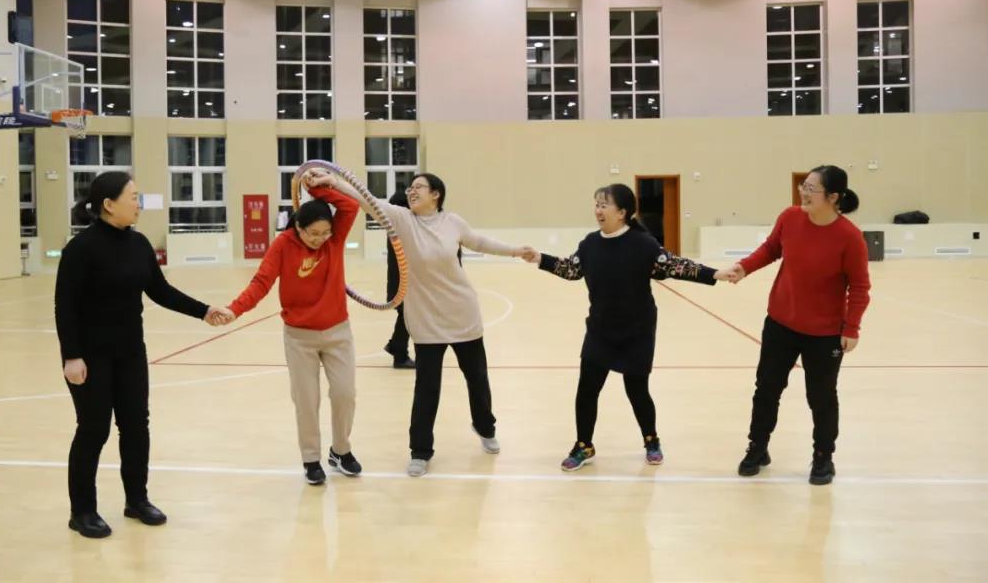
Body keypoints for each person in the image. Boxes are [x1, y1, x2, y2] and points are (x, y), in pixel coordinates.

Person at [56, 171, 230, 539]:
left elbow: (160, 290)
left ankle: (137, 500)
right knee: (94, 430)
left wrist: (203, 311)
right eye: (133, 197)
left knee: (136, 427)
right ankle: (82, 510)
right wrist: (72, 356)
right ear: (109, 204)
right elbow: (65, 307)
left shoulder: (138, 244)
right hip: (90, 356)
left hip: (130, 352)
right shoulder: (80, 249)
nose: (139, 203)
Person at [333, 172, 533, 477]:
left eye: (419, 187)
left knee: (477, 379)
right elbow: (367, 200)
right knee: (427, 388)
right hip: (426, 320)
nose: (411, 192)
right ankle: (420, 451)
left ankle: (485, 427)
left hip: (462, 313)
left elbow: (479, 241)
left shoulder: (452, 222)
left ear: (436, 194)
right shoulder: (402, 220)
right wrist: (332, 181)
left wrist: (515, 251)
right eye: (410, 188)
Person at [523, 184, 732, 471]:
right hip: (600, 330)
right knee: (587, 390)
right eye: (596, 204)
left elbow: (676, 266)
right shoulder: (589, 244)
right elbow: (572, 269)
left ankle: (651, 440)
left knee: (637, 390)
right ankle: (584, 445)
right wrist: (540, 259)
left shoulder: (643, 245)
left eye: (604, 205)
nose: (598, 210)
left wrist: (715, 274)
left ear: (622, 212)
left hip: (637, 331)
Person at [719, 165, 870, 485]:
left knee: (821, 397)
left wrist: (851, 328)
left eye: (812, 188)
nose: (804, 192)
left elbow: (859, 287)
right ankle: (758, 447)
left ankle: (823, 456)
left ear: (833, 197)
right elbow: (771, 248)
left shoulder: (850, 237)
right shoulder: (790, 218)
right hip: (781, 323)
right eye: (804, 185)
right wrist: (744, 267)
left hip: (825, 334)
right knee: (767, 389)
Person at [221, 170, 361, 486]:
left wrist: (317, 187)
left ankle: (340, 451)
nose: (320, 239)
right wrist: (234, 309)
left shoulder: (334, 239)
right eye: (313, 234)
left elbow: (351, 206)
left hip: (338, 332)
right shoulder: (283, 244)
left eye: (325, 233)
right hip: (300, 338)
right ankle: (311, 458)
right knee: (306, 400)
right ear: (298, 226)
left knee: (345, 394)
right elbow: (261, 282)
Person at [383, 190, 416, 369]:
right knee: (407, 317)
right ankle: (399, 354)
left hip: (400, 284)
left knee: (406, 317)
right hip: (403, 284)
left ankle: (396, 347)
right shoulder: (402, 230)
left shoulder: (395, 229)